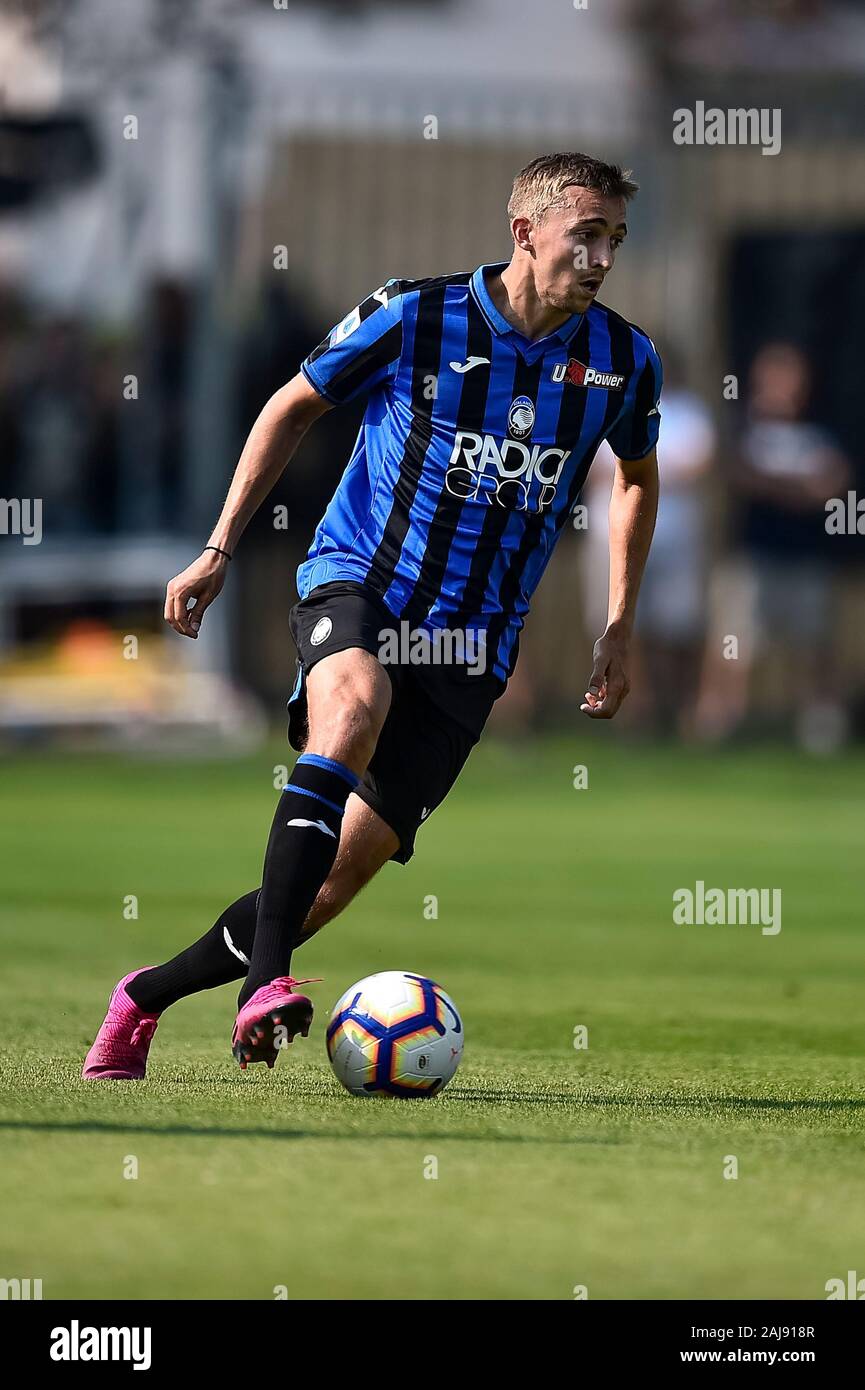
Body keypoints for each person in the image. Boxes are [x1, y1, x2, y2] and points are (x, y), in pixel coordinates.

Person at [82, 151, 663, 1080]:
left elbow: (634, 478)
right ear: (525, 232)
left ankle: (142, 997)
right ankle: (264, 985)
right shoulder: (414, 313)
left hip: (473, 640)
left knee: (327, 884)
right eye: (584, 236)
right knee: (350, 708)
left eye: (614, 241)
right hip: (362, 581)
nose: (600, 258)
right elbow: (291, 406)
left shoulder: (623, 361)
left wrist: (617, 622)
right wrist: (220, 548)